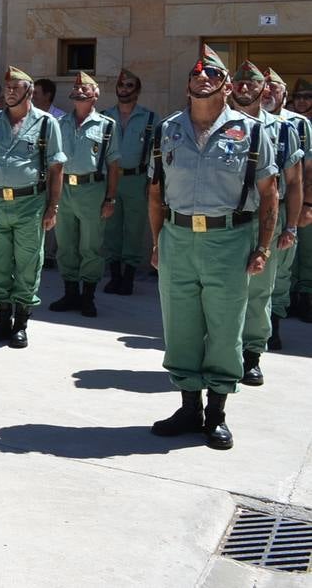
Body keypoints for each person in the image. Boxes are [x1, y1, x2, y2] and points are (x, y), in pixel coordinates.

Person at [148, 46, 277, 450]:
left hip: (228, 239)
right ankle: (189, 407)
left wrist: (263, 247)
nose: (203, 78)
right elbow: (155, 193)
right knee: (181, 326)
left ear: (225, 85)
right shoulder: (168, 129)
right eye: (196, 73)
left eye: (212, 74)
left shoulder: (252, 131)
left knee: (224, 327)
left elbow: (269, 193)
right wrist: (156, 243)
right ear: (188, 84)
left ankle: (216, 412)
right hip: (178, 237)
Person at [0, 66, 65, 348]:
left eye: (16, 87)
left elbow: (56, 168)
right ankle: (2, 318)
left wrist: (53, 207)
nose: (10, 92)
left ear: (29, 91)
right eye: (7, 88)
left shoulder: (47, 124)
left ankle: (21, 322)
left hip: (30, 203)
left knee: (28, 262)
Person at [227, 62, 301, 386]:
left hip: (268, 217)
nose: (245, 87)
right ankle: (223, 351)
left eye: (252, 82)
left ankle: (252, 354)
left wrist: (292, 226)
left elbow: (295, 182)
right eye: (239, 82)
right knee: (224, 290)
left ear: (264, 88)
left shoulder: (284, 129)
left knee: (259, 290)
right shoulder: (217, 124)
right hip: (227, 218)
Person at [44, 72, 120, 317]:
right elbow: (53, 163)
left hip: (92, 189)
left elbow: (114, 165)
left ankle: (88, 295)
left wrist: (110, 198)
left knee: (91, 246)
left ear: (96, 95)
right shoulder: (60, 123)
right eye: (77, 88)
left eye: (85, 88)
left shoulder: (107, 125)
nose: (80, 91)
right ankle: (70, 292)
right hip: (64, 189)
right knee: (65, 244)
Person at [263, 68, 312, 343]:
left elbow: (308, 169)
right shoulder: (246, 120)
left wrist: (306, 204)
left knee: (281, 269)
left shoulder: (297, 124)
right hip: (252, 208)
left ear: (284, 94)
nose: (269, 91)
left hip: (284, 205)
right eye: (265, 87)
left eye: (275, 87)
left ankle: (274, 324)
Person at [101, 69, 157, 296]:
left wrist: (152, 182)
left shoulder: (150, 118)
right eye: (121, 86)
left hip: (137, 178)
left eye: (129, 86)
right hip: (111, 179)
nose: (124, 90)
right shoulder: (105, 116)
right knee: (111, 226)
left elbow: (156, 154)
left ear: (138, 90)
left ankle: (129, 278)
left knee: (134, 228)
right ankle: (114, 275)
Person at [289, 78, 312, 323]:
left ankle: (305, 296)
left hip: (310, 196)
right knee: (290, 249)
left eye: (308, 97)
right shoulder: (288, 123)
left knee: (308, 249)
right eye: (299, 97)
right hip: (290, 194)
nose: (303, 101)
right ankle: (289, 296)